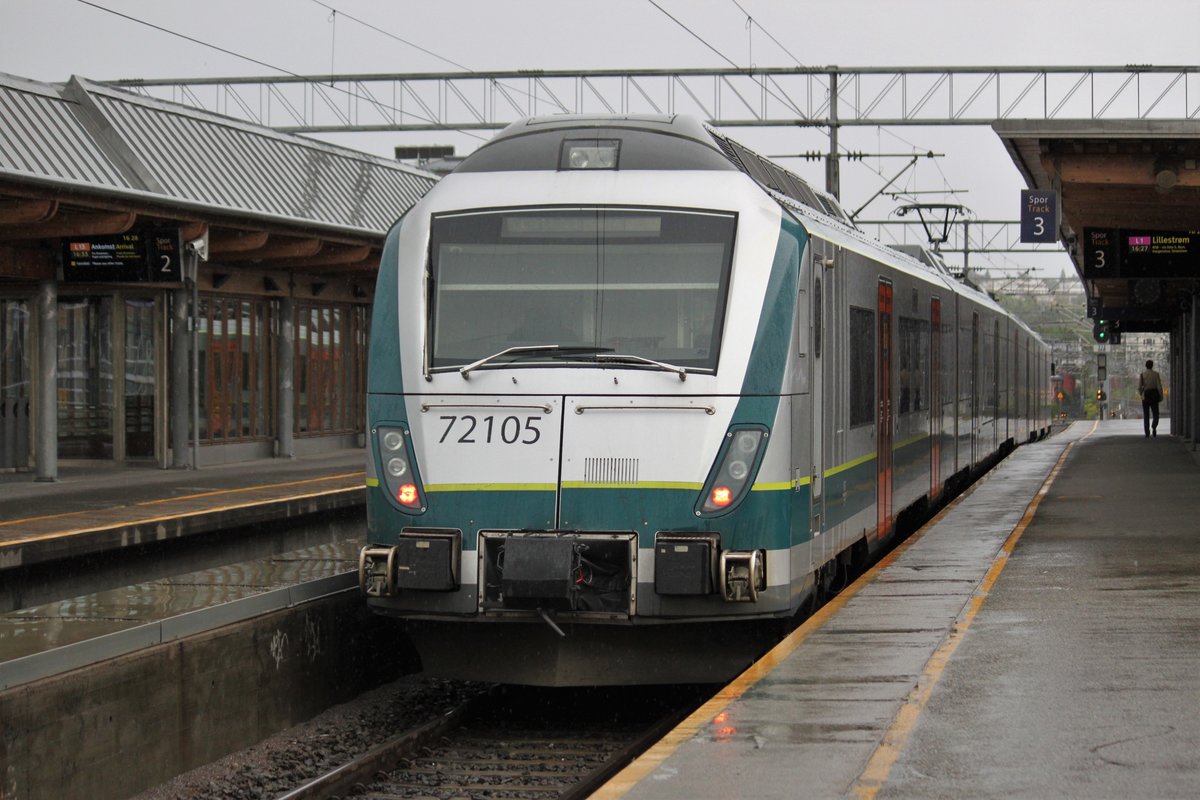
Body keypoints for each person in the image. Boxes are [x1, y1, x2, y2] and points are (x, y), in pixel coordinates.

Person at [1138, 359, 1164, 437]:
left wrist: (1141, 394)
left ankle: (1147, 432)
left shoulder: (1142, 375)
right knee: (1156, 413)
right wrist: (1161, 396)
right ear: (1152, 366)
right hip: (1154, 394)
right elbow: (1159, 386)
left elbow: (1139, 387)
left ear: (1146, 366)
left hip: (1146, 395)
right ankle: (1154, 427)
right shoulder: (1156, 374)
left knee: (1146, 415)